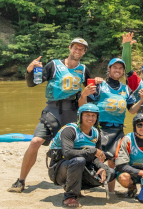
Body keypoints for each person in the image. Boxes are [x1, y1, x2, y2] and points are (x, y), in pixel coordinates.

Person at [11, 37, 93, 192]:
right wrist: (29, 70)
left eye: (81, 49)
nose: (78, 51)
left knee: (74, 148)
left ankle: (80, 181)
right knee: (35, 141)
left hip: (73, 112)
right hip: (53, 110)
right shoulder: (54, 65)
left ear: (84, 52)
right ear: (70, 48)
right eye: (75, 47)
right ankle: (20, 181)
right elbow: (33, 83)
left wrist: (99, 83)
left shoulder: (84, 69)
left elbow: (93, 92)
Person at [47, 102, 111, 209]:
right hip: (58, 169)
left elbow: (95, 157)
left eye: (93, 115)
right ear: (80, 116)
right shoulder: (70, 130)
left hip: (80, 166)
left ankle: (77, 188)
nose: (90, 118)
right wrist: (91, 151)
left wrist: (102, 167)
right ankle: (69, 196)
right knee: (79, 160)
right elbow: (67, 154)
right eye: (87, 115)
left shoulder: (96, 132)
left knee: (110, 172)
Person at [86, 33, 136, 155]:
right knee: (99, 157)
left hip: (118, 129)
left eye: (120, 68)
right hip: (100, 128)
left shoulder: (126, 89)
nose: (117, 70)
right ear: (109, 69)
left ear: (123, 71)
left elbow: (132, 110)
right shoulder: (99, 84)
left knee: (116, 159)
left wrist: (142, 98)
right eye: (114, 67)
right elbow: (85, 105)